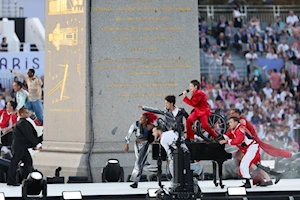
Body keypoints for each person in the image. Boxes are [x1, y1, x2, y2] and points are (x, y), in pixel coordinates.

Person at [230, 108, 291, 186]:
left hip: (251, 145)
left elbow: (242, 134)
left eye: (233, 113)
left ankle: (265, 177)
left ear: (238, 114)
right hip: (250, 145)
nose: (231, 115)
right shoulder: (238, 122)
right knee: (253, 163)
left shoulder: (241, 121)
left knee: (251, 163)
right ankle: (270, 177)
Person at [219, 116, 261, 188]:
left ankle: (248, 181)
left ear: (236, 122)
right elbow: (225, 136)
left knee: (244, 163)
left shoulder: (240, 129)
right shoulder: (233, 130)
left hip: (252, 148)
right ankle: (248, 181)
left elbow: (239, 140)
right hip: (247, 148)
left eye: (231, 122)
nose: (229, 124)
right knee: (244, 164)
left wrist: (226, 141)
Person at [7, 107, 42, 186]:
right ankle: (12, 180)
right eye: (26, 112)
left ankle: (26, 179)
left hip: (22, 147)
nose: (28, 113)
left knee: (28, 161)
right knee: (15, 163)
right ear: (22, 114)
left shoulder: (22, 122)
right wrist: (37, 144)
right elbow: (29, 135)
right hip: (19, 147)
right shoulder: (22, 123)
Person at [124, 112, 158, 188]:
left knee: (138, 162)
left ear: (146, 119)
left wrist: (155, 138)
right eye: (140, 118)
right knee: (143, 164)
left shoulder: (150, 126)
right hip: (136, 144)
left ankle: (135, 181)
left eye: (142, 118)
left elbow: (156, 133)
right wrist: (127, 144)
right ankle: (156, 170)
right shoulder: (135, 125)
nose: (140, 120)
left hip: (145, 145)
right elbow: (128, 135)